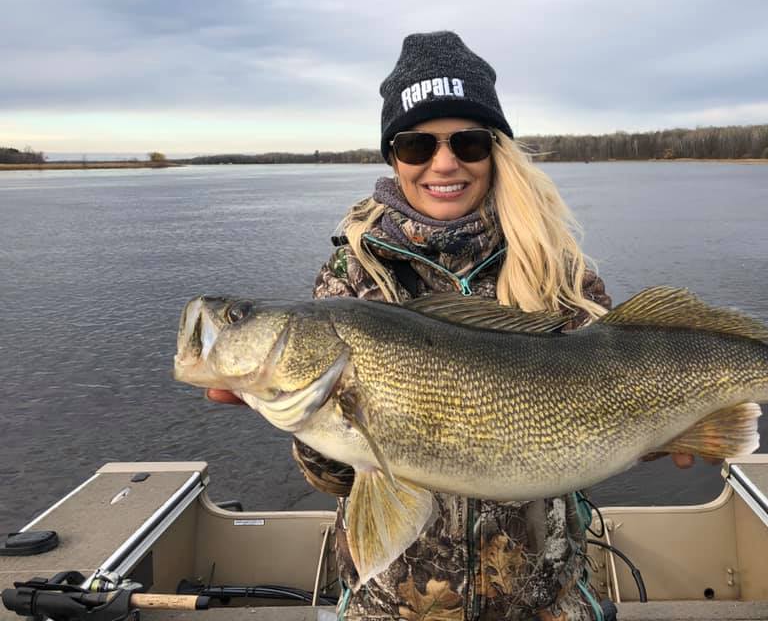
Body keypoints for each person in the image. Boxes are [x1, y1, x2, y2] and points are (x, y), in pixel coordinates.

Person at [208, 31, 694, 620]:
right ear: (393, 157)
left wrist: (679, 428)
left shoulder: (559, 269)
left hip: (544, 600)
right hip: (395, 606)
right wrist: (304, 411)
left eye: (468, 141)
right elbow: (336, 480)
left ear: (496, 151)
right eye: (417, 145)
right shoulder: (350, 278)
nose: (444, 163)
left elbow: (594, 425)